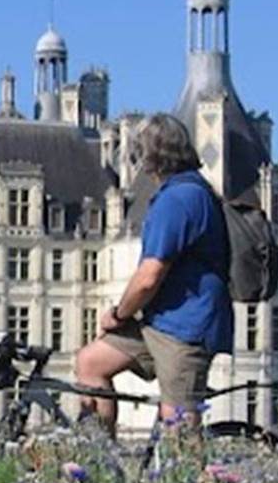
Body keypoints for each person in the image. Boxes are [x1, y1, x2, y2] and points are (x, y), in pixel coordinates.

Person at [74, 113, 233, 437]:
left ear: (149, 157)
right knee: (91, 363)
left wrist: (118, 315)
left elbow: (148, 277)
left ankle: (187, 470)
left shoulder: (178, 199)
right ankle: (100, 457)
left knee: (178, 427)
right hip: (162, 322)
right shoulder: (190, 191)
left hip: (185, 328)